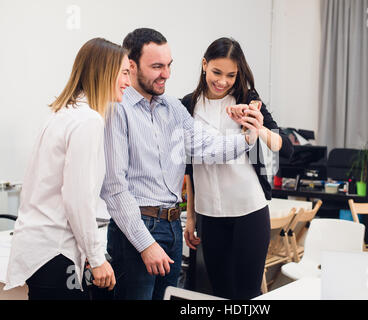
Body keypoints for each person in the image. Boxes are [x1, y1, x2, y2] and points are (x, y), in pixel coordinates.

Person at [100, 28, 262, 300]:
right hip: (138, 229)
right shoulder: (117, 109)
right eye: (156, 66)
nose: (166, 74)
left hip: (172, 227)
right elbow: (115, 189)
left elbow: (207, 146)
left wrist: (248, 136)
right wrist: (145, 244)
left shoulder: (173, 108)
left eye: (168, 65)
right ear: (131, 65)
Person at [4, 38, 131, 300]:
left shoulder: (62, 113)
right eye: (125, 73)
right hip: (55, 251)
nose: (128, 82)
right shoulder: (88, 121)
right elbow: (77, 200)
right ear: (104, 72)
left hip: (40, 251)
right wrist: (97, 258)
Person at [181, 37, 293, 299]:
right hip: (209, 213)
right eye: (217, 72)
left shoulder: (248, 100)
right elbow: (190, 164)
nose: (223, 81)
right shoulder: (188, 105)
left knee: (246, 294)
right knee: (219, 292)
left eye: (231, 75)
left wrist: (257, 125)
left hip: (249, 210)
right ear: (204, 65)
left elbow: (284, 147)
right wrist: (191, 217)